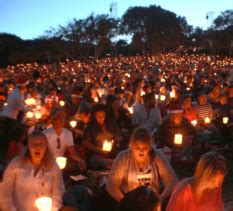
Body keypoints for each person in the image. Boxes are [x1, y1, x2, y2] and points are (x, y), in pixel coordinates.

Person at [107, 127, 177, 208]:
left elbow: (172, 179)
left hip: (152, 201)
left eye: (145, 148)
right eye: (137, 148)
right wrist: (124, 202)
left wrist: (161, 198)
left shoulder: (156, 156)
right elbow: (111, 184)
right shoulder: (124, 157)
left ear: (150, 147)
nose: (141, 151)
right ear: (132, 147)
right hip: (130, 200)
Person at [1, 130, 65, 211]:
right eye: (34, 144)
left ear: (46, 146)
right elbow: (5, 190)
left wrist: (54, 208)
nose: (37, 147)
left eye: (41, 144)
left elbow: (58, 190)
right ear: (28, 146)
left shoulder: (53, 165)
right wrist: (11, 209)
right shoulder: (16, 163)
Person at [83, 103, 120, 170]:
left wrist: (114, 142)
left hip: (112, 153)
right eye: (98, 116)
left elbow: (118, 137)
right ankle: (112, 163)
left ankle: (110, 164)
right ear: (94, 115)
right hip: (96, 154)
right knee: (94, 161)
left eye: (102, 116)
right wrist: (99, 150)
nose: (100, 118)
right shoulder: (90, 126)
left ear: (105, 114)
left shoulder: (112, 124)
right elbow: (86, 143)